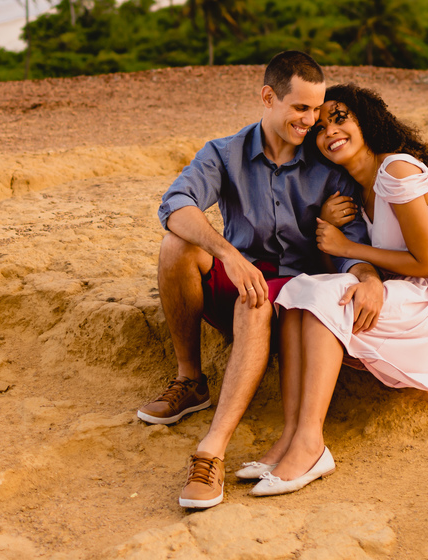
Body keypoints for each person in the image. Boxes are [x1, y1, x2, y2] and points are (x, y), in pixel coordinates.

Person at [140, 51, 384, 509]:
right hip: (243, 278)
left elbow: (351, 242)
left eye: (316, 109)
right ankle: (190, 381)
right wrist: (227, 253)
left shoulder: (328, 165)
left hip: (293, 300)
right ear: (268, 98)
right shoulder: (224, 153)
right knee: (177, 245)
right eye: (300, 108)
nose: (311, 120)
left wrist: (370, 279)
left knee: (255, 299)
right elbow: (174, 203)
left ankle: (210, 451)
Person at [243, 83, 428, 497]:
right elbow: (333, 263)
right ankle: (290, 436)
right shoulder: (352, 188)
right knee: (299, 292)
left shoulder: (398, 171)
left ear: (366, 121)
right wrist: (327, 224)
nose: (330, 132)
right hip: (400, 292)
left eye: (341, 118)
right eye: (320, 128)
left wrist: (347, 245)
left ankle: (311, 445)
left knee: (325, 299)